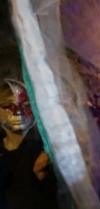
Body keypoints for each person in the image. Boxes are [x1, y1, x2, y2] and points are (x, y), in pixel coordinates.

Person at [0, 79, 58, 209]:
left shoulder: (43, 150)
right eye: (9, 105)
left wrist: (42, 176)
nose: (18, 111)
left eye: (25, 105)